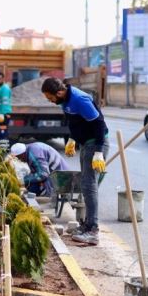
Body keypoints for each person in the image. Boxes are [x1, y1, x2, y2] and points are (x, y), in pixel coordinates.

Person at [41, 77, 108, 245]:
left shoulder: (79, 99)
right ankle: (86, 226)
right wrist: (72, 139)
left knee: (89, 184)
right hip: (86, 142)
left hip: (95, 143)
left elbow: (99, 123)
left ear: (59, 92)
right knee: (86, 185)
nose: (50, 101)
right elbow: (76, 122)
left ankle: (93, 230)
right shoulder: (65, 100)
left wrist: (99, 151)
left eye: (50, 98)